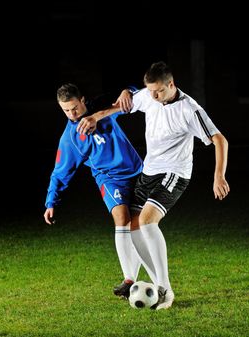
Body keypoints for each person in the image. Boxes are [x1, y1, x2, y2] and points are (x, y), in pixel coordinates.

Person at [77, 61, 230, 310]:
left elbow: (219, 140)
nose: (153, 96)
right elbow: (120, 106)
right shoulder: (149, 96)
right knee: (132, 226)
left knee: (147, 221)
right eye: (150, 91)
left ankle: (166, 290)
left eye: (158, 91)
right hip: (148, 172)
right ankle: (159, 284)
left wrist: (219, 176)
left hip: (174, 174)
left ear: (171, 84)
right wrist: (95, 116)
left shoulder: (190, 110)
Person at [44, 83, 156, 299]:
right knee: (121, 218)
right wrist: (51, 202)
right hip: (109, 179)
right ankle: (129, 280)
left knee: (138, 226)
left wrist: (127, 91)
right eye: (65, 110)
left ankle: (155, 280)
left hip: (137, 172)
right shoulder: (71, 138)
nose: (71, 114)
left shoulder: (103, 106)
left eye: (74, 108)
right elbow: (60, 172)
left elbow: (134, 93)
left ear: (83, 100)